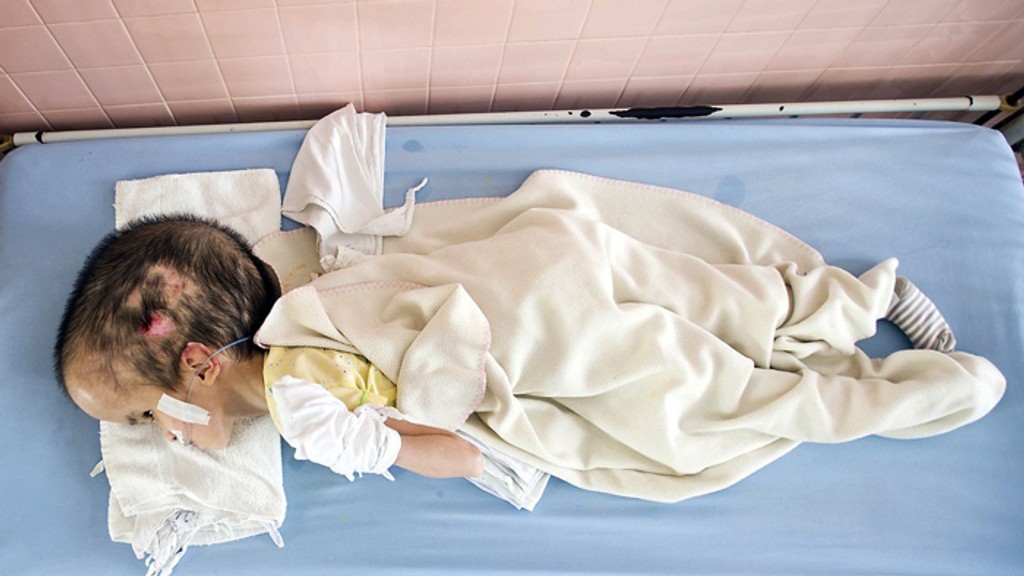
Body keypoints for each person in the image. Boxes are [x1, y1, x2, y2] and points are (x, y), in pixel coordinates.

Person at [55, 212, 1004, 501]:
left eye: (143, 416)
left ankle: (927, 389)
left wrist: (429, 443)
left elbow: (452, 451)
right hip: (550, 261)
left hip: (528, 336)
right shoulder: (301, 302)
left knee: (695, 408)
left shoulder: (304, 416)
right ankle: (855, 299)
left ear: (200, 369)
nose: (155, 435)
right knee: (708, 299)